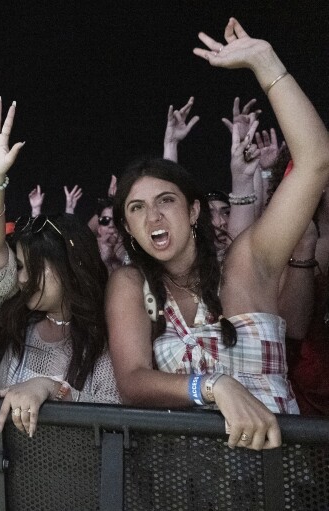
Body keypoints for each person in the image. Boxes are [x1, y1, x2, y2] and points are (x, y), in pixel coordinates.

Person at [106, 18, 329, 450]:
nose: (152, 215)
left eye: (165, 200)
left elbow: (316, 161)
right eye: (136, 208)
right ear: (129, 229)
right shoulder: (132, 284)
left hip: (272, 470)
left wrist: (266, 64)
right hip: (183, 478)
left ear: (193, 211)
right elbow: (132, 381)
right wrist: (214, 386)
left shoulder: (249, 261)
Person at [0, 97, 119, 438]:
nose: (20, 278)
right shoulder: (20, 319)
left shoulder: (111, 333)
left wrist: (50, 388)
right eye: (19, 266)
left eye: (29, 267)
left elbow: (120, 413)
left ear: (71, 266)